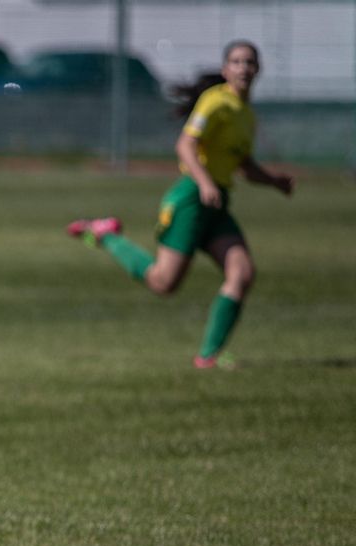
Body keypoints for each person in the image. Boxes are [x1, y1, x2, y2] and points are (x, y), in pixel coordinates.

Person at [66, 40, 293, 368]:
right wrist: (203, 182)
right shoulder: (214, 102)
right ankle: (105, 235)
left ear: (258, 69)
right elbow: (185, 145)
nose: (243, 68)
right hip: (191, 198)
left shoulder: (246, 116)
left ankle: (208, 357)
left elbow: (243, 165)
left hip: (217, 202)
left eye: (249, 62)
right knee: (163, 283)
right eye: (236, 61)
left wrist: (274, 181)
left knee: (242, 273)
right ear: (226, 69)